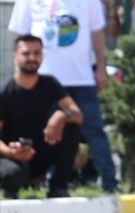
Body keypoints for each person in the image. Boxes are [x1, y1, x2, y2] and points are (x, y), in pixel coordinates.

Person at [7, 0, 117, 192]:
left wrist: (100, 67)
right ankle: (42, 183)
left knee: (93, 132)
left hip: (79, 78)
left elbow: (96, 30)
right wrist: (18, 75)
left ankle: (111, 185)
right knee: (44, 133)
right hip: (42, 79)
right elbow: (20, 35)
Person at [0, 35, 83, 198]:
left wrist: (61, 115)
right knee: (13, 174)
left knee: (72, 128)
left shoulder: (50, 84)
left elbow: (78, 115)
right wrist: (11, 152)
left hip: (41, 153)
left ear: (42, 56)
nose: (32, 58)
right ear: (15, 56)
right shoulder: (4, 92)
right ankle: (12, 190)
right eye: (26, 53)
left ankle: (58, 188)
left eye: (37, 53)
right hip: (11, 157)